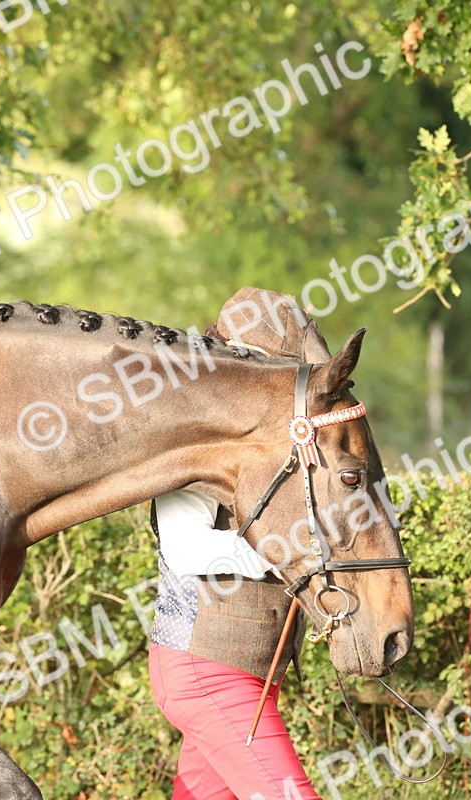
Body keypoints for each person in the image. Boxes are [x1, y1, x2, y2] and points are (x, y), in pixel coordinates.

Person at [147, 289, 322, 800]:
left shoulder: (263, 442)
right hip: (208, 670)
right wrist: (286, 554)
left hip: (246, 669)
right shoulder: (192, 441)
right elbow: (186, 549)